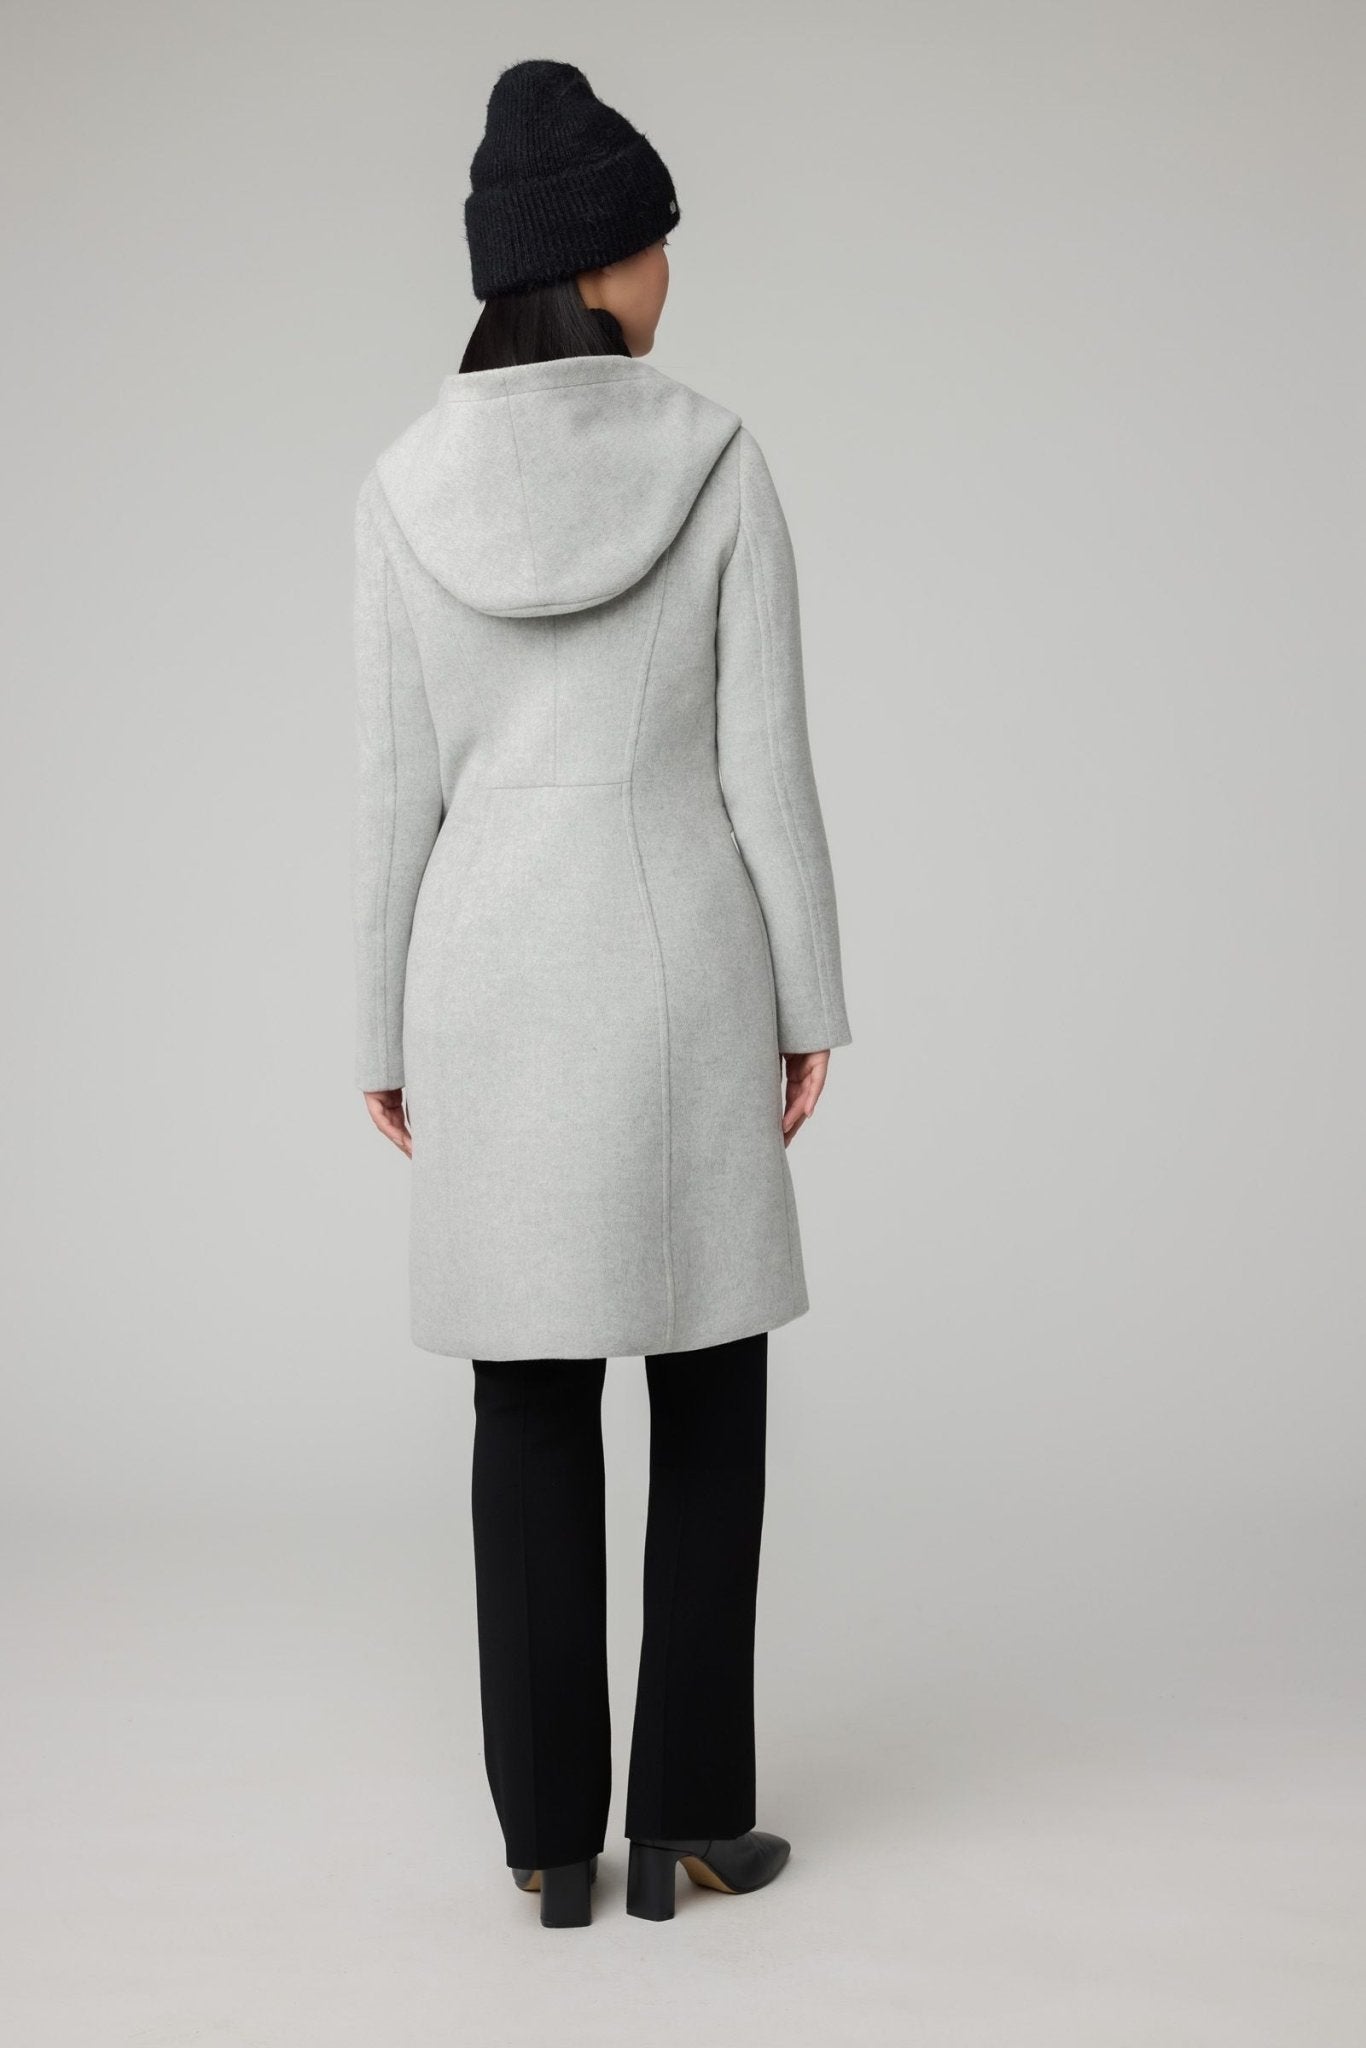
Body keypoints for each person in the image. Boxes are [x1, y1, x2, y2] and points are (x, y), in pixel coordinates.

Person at [350, 59, 853, 1929]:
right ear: (600, 261)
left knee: (528, 1397)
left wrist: (374, 1029)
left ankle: (549, 1844)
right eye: (655, 243)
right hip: (680, 956)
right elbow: (765, 766)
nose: (668, 273)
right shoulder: (715, 457)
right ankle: (691, 1824)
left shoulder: (399, 487)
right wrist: (810, 1000)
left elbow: (389, 792)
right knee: (708, 1382)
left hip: (482, 969)